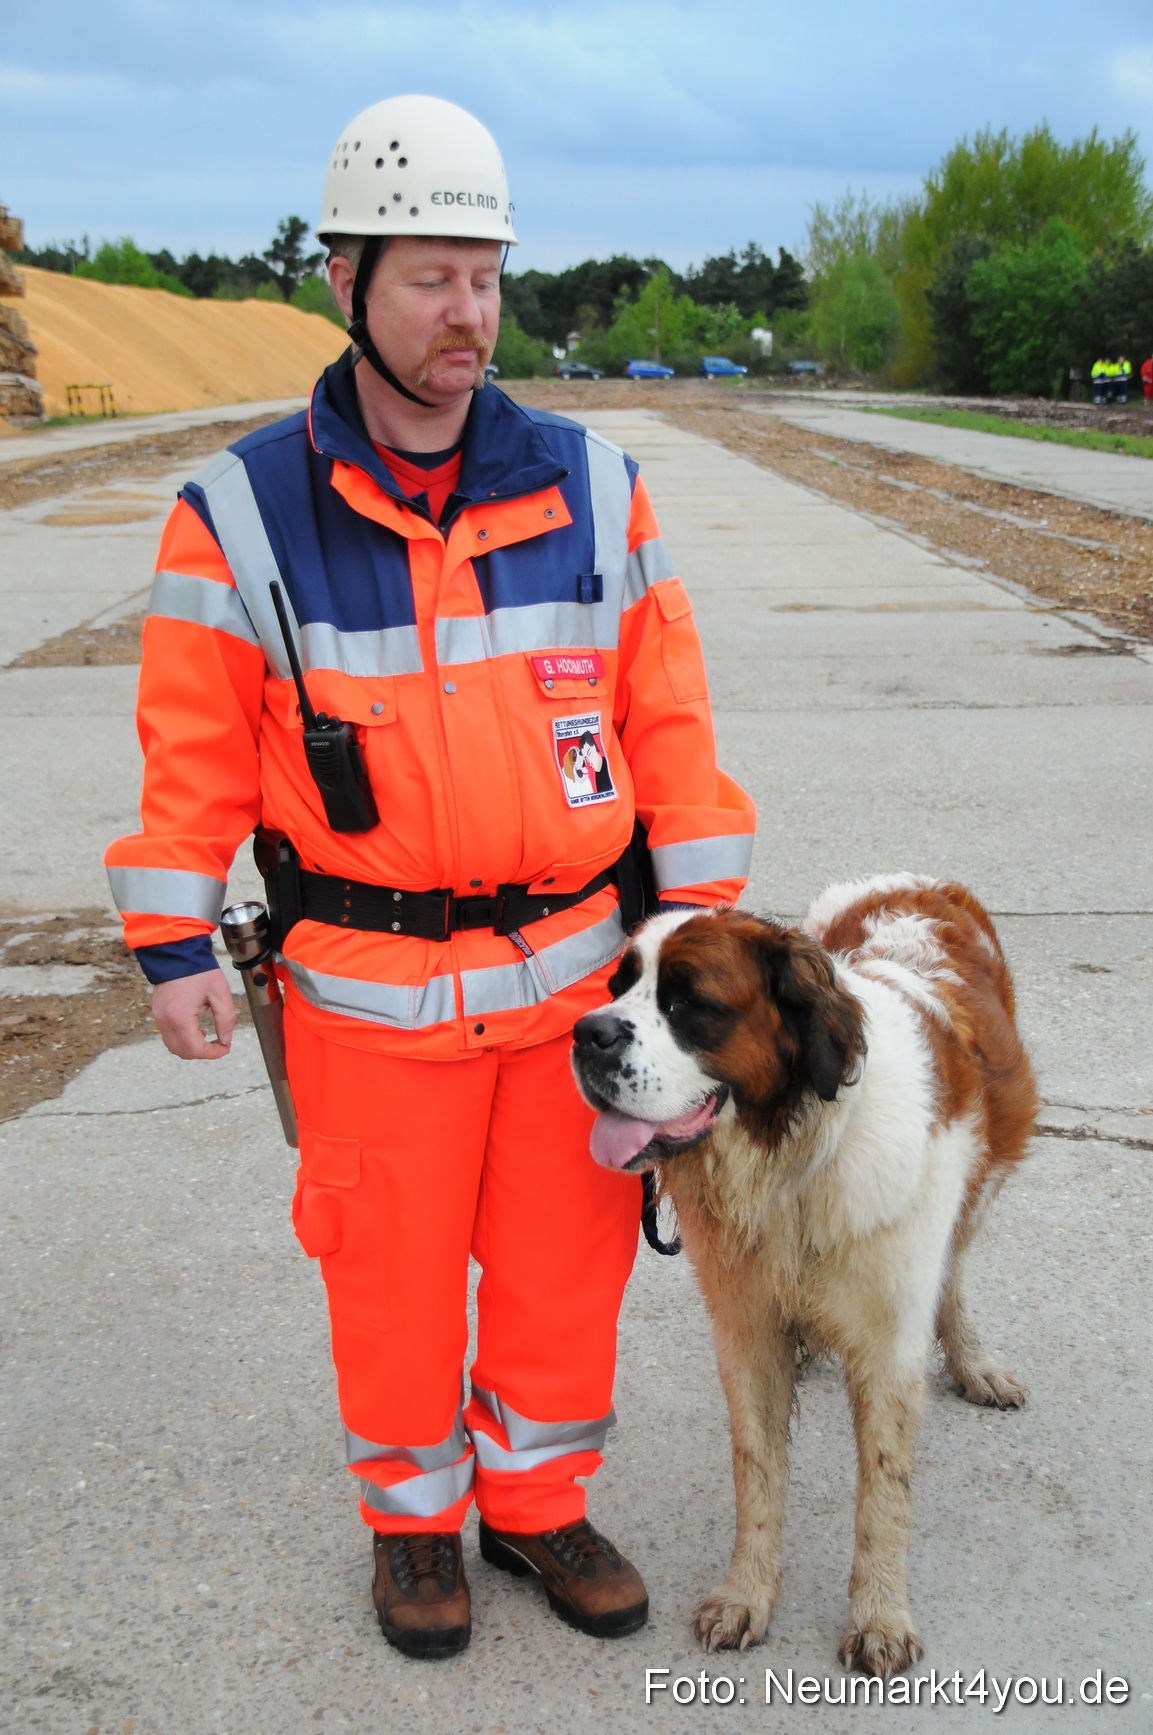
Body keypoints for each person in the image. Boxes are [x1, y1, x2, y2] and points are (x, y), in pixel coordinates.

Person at [105, 94, 755, 1661]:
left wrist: (700, 949)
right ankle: (411, 1528)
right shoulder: (240, 514)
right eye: (429, 280)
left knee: (562, 1269)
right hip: (364, 996)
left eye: (485, 277)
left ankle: (534, 1504)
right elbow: (191, 751)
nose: (467, 313)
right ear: (345, 283)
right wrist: (172, 941)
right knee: (389, 1282)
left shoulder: (594, 486)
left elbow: (669, 728)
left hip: (573, 990)